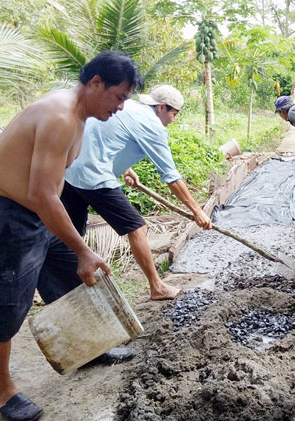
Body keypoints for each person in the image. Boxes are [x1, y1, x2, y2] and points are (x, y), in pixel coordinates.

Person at [0, 51, 143, 421]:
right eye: (119, 97)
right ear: (96, 82)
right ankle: (4, 391)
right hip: (5, 215)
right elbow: (41, 194)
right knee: (4, 302)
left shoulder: (80, 116)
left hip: (38, 214)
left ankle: (90, 348)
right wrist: (83, 249)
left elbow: (50, 190)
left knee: (70, 279)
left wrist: (75, 248)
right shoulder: (60, 116)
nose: (120, 107)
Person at [62, 84, 212, 303]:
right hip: (93, 175)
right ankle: (157, 286)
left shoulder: (129, 107)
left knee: (73, 234)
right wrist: (198, 210)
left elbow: (108, 136)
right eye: (174, 114)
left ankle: (70, 290)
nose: (174, 119)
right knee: (136, 226)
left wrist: (125, 168)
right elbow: (171, 176)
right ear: (162, 107)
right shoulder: (153, 126)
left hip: (70, 169)